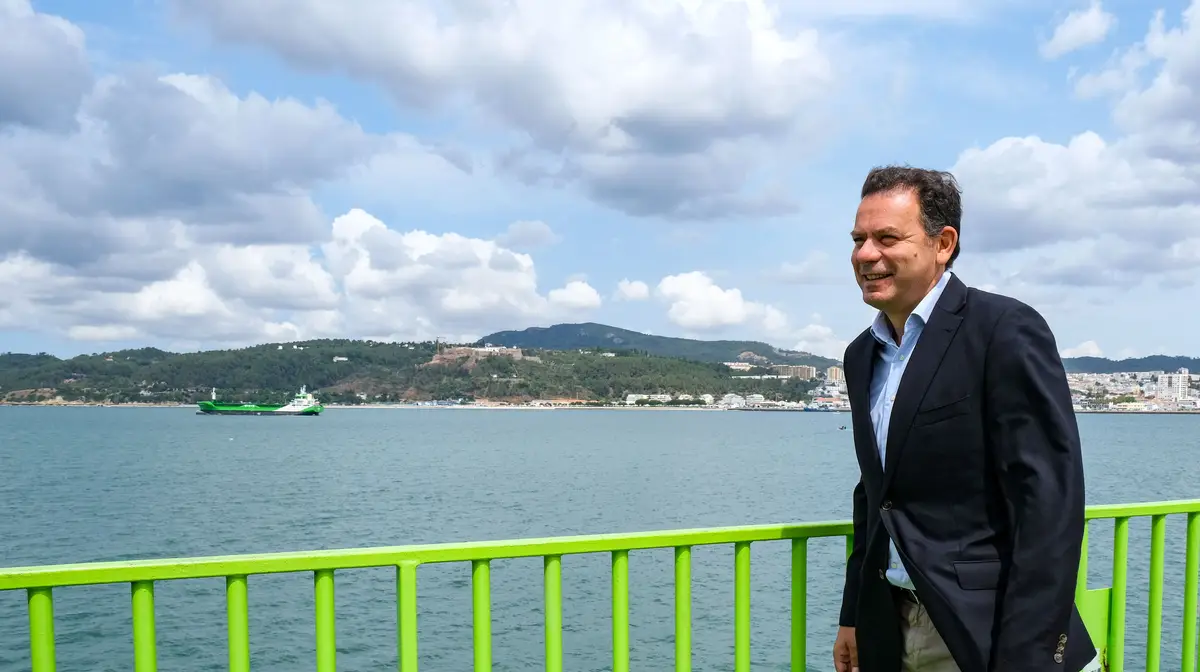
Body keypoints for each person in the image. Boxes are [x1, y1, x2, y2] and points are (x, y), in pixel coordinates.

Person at [831, 166, 1099, 672]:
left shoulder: (1002, 330)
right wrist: (854, 614)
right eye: (859, 239)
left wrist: (1028, 656)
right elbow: (874, 493)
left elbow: (1048, 506)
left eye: (887, 237)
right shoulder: (861, 355)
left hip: (988, 629)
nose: (866, 255)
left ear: (944, 243)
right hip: (890, 624)